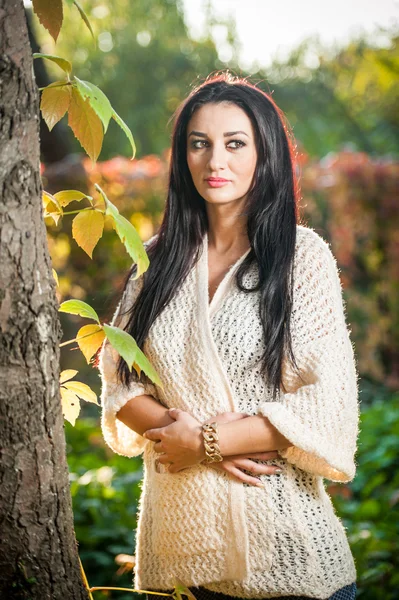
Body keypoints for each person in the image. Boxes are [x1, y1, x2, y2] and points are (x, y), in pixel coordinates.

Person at [98, 73, 360, 600]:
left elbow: (326, 404)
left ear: (265, 155)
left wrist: (207, 443)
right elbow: (119, 379)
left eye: (234, 143)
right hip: (182, 555)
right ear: (184, 155)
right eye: (200, 143)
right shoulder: (156, 260)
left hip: (288, 560)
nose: (215, 160)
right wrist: (196, 443)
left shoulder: (300, 258)